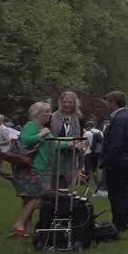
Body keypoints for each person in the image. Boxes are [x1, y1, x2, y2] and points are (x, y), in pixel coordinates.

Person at [10, 101, 65, 236]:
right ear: (37, 113)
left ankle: (25, 229)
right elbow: (26, 139)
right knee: (40, 196)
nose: (49, 114)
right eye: (45, 111)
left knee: (30, 198)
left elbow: (54, 145)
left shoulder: (41, 126)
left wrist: (71, 144)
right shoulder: (32, 125)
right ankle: (19, 223)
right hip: (33, 168)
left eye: (49, 111)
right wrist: (43, 133)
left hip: (40, 168)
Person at [101, 91, 128, 231]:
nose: (106, 106)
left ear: (113, 103)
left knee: (115, 194)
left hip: (117, 161)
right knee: (122, 193)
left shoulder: (119, 118)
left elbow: (115, 143)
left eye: (107, 103)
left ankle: (118, 224)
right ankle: (122, 222)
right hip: (127, 159)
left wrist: (105, 161)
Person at [49, 91, 84, 188]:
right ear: (60, 102)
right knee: (54, 184)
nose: (67, 104)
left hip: (71, 156)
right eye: (64, 102)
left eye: (70, 102)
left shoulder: (79, 118)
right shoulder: (53, 117)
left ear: (75, 103)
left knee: (68, 185)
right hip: (56, 154)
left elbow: (79, 137)